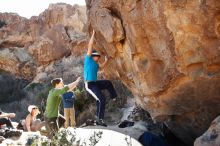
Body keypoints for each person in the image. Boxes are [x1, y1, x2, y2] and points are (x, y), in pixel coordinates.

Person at [84, 30, 117, 126]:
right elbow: (90, 46)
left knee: (108, 83)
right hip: (89, 85)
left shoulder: (96, 64)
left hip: (95, 83)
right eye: (97, 56)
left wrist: (106, 60)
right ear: (93, 56)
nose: (98, 57)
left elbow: (101, 67)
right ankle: (100, 119)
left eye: (99, 56)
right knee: (101, 99)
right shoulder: (88, 60)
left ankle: (113, 96)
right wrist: (93, 34)